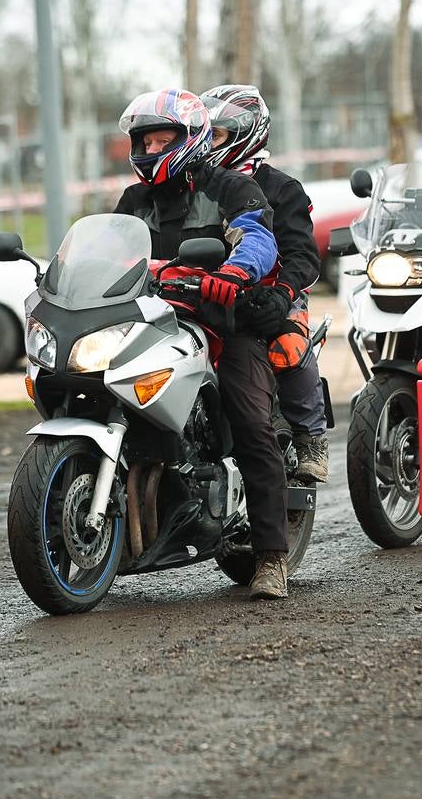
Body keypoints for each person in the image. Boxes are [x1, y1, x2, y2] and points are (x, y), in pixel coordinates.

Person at [113, 88, 292, 600]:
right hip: (150, 323)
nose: (151, 146)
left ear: (189, 138)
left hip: (224, 324)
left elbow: (257, 236)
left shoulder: (229, 187)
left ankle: (271, 556)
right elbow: (107, 247)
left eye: (161, 136)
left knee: (252, 423)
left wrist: (234, 272)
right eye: (143, 138)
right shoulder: (134, 201)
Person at [199, 84, 328, 484]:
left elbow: (303, 255)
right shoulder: (195, 185)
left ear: (245, 133)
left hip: (271, 293)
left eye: (215, 136)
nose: (207, 145)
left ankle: (311, 437)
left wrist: (283, 294)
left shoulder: (282, 188)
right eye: (203, 136)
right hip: (205, 293)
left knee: (289, 344)